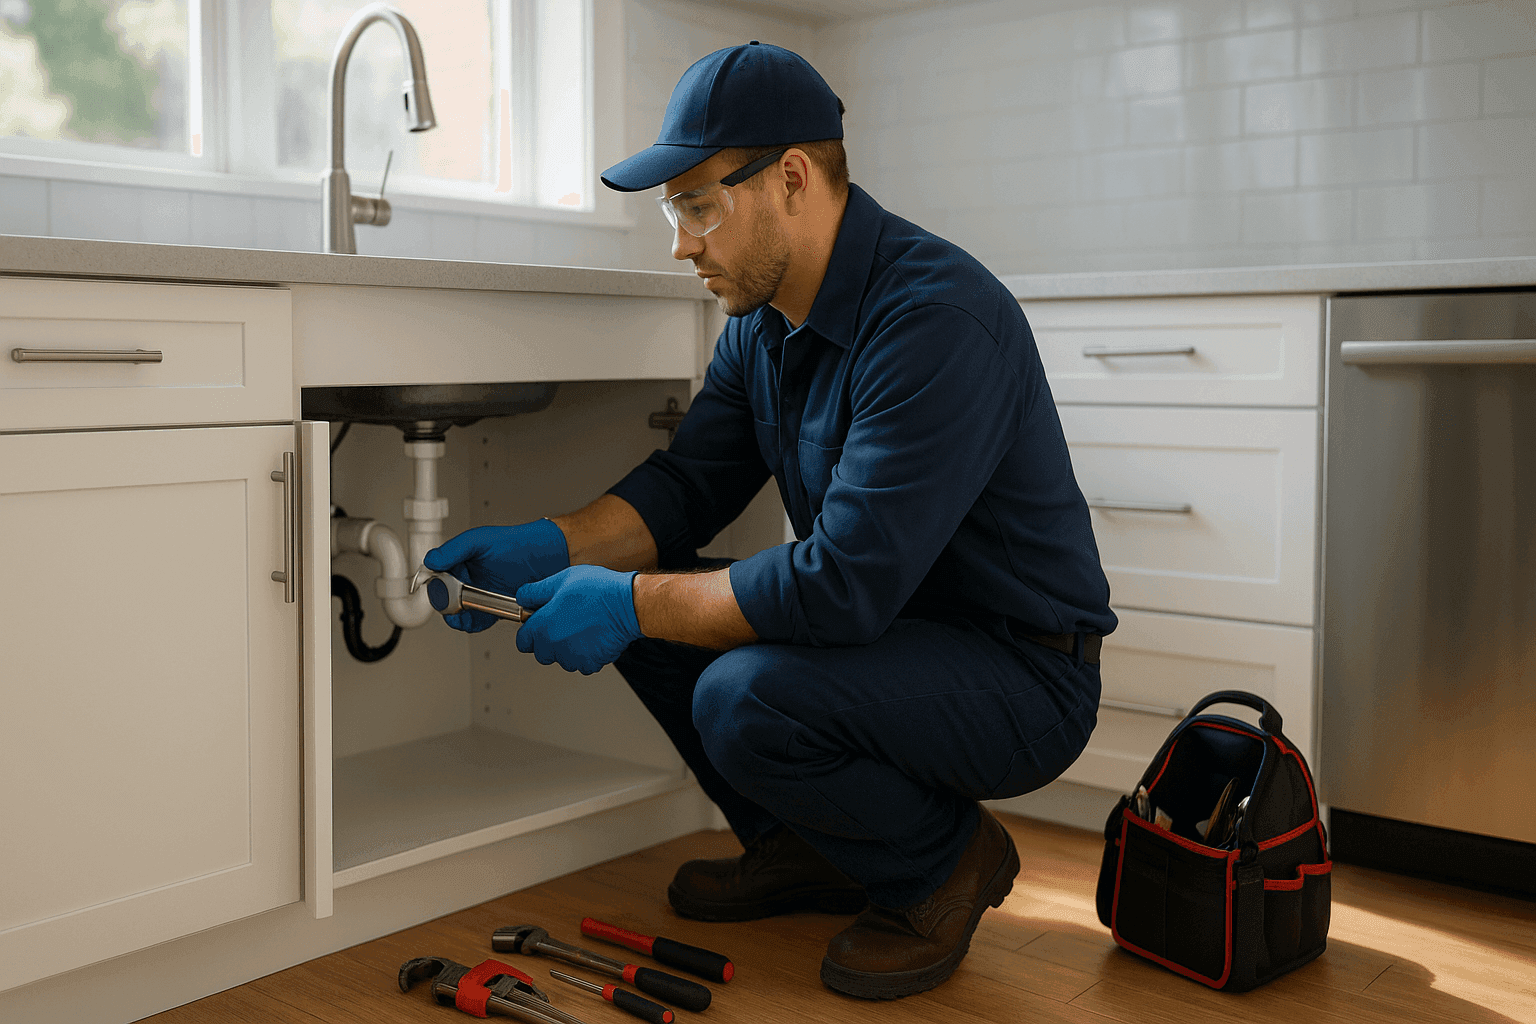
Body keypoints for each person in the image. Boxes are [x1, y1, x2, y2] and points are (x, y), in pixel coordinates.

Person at [425, 41, 1115, 1000]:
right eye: (676, 210)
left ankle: (943, 863)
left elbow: (842, 586)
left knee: (732, 685)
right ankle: (812, 847)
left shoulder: (933, 319)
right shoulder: (761, 323)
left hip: (1019, 671)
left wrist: (627, 599)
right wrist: (548, 545)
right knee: (665, 616)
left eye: (699, 204)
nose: (682, 242)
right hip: (893, 635)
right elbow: (688, 488)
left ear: (792, 178)